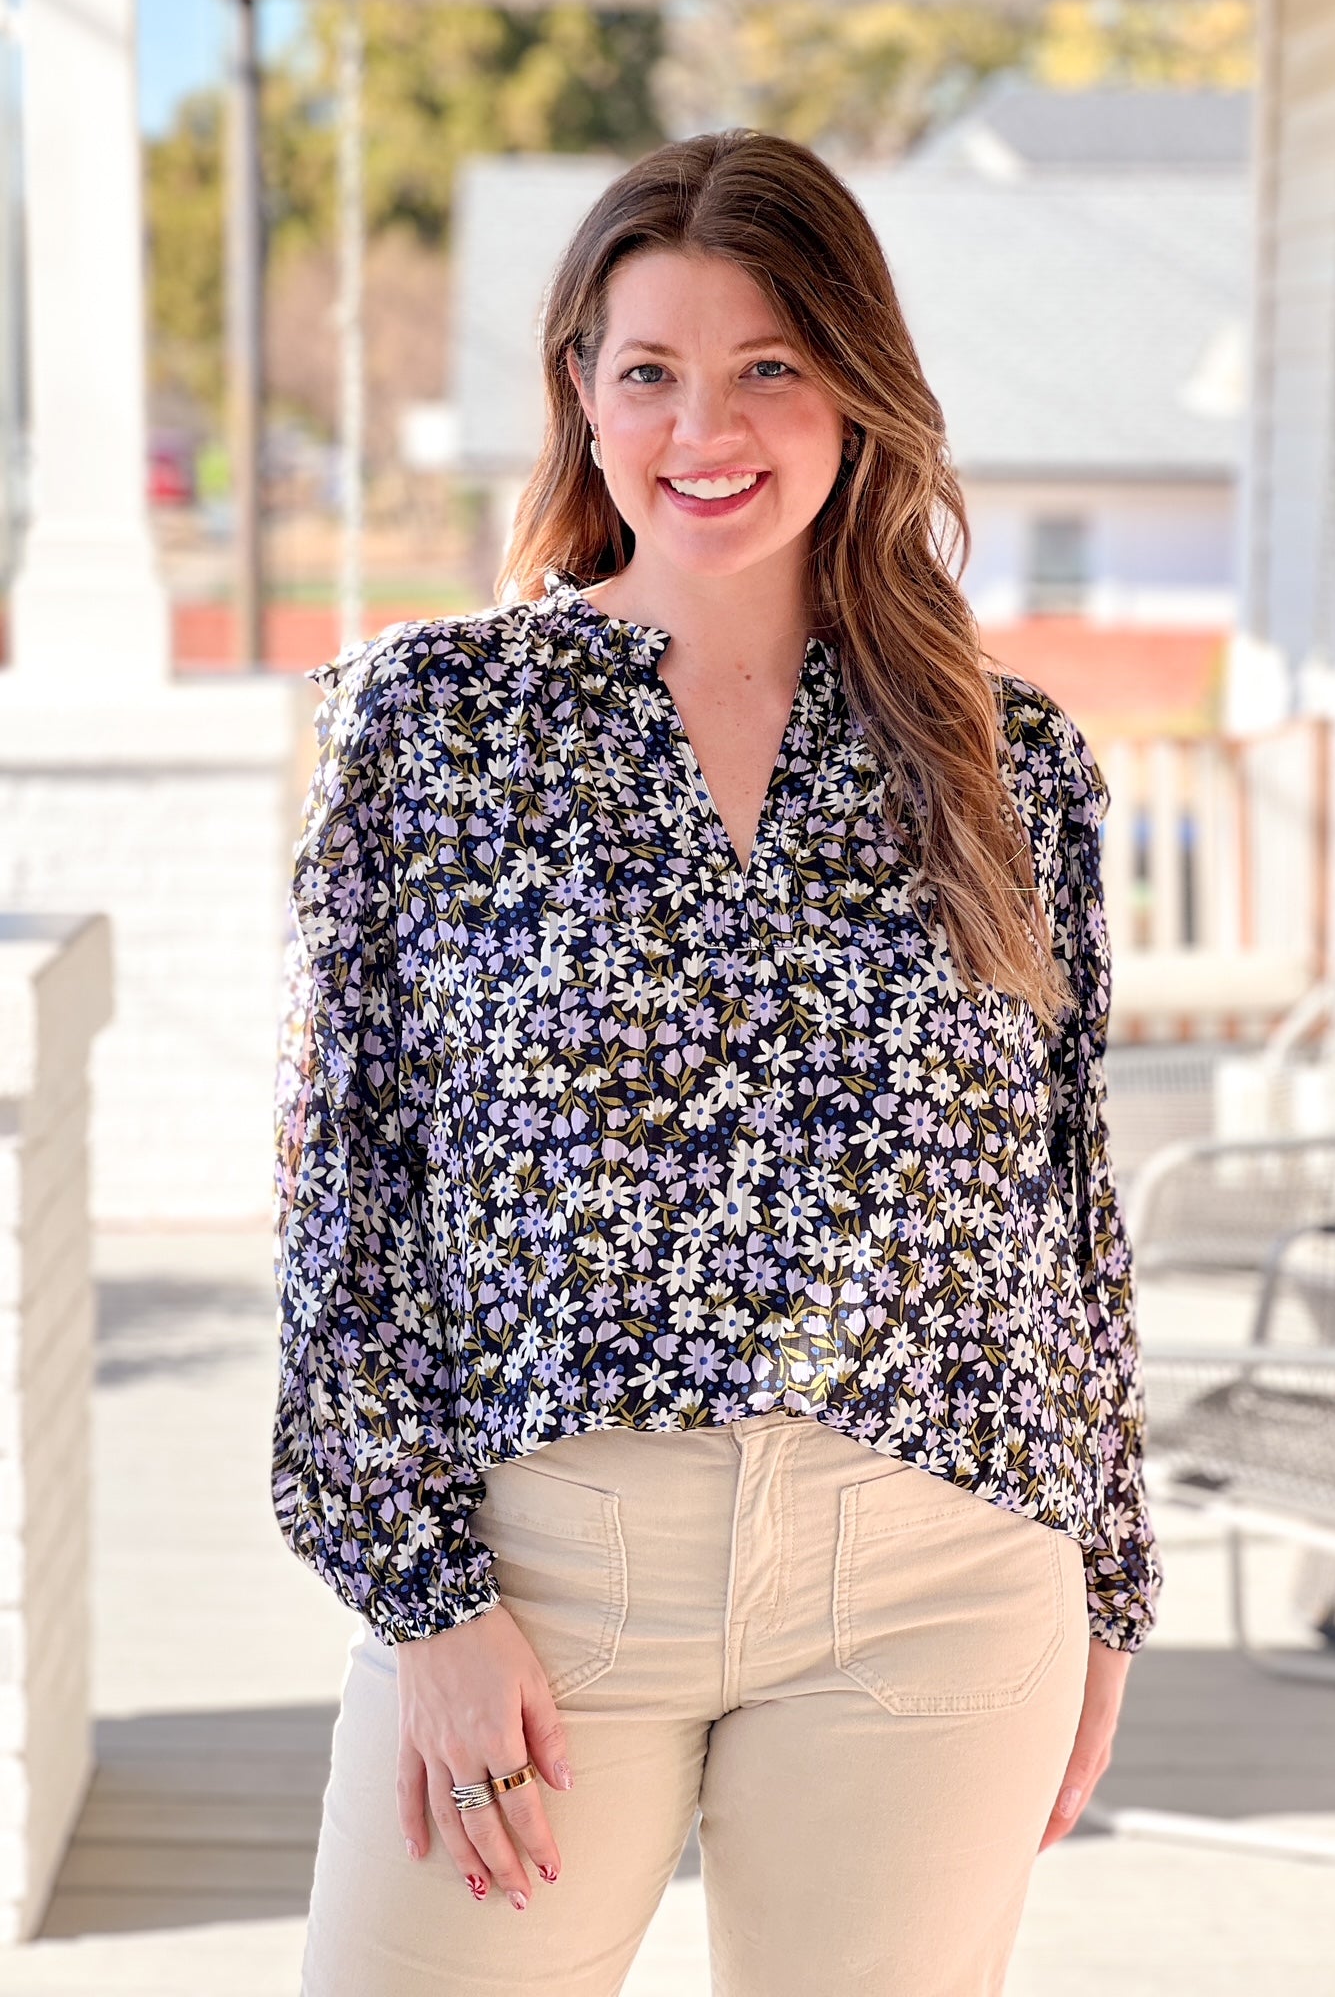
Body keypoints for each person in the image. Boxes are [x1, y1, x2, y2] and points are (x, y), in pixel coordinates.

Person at [272, 127, 1163, 1997]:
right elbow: (343, 1189)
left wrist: (1105, 1586)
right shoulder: (432, 725)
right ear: (581, 403)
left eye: (768, 365)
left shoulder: (1013, 763)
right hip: (545, 1570)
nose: (707, 426)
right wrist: (427, 1606)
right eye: (650, 370)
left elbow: (1066, 1201)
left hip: (939, 1568)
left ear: (854, 391)